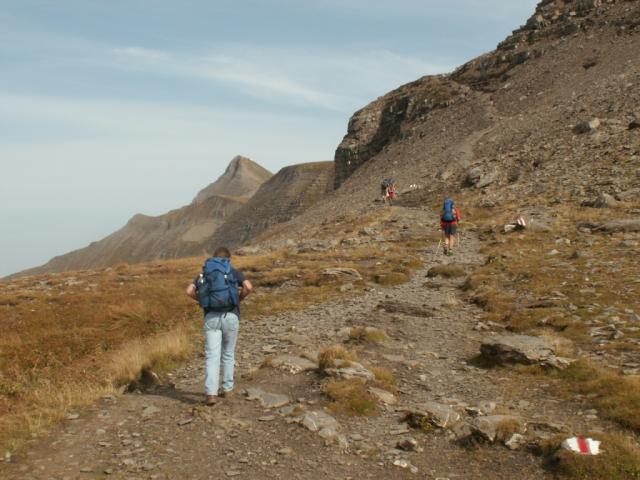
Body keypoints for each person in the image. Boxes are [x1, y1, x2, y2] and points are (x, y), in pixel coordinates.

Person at [186, 247, 253, 405]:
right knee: (228, 354)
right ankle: (227, 389)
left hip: (211, 317)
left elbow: (189, 291)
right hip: (231, 315)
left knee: (212, 356)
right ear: (228, 259)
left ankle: (211, 394)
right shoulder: (233, 271)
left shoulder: (204, 273)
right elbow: (249, 287)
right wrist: (238, 300)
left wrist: (202, 301)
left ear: (213, 258)